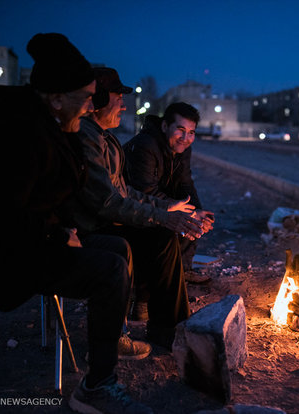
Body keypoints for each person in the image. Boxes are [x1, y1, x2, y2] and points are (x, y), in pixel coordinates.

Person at [0, 34, 152, 414]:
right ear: (56, 99)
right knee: (108, 269)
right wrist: (60, 235)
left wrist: (62, 231)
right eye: (87, 97)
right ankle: (96, 387)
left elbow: (46, 199)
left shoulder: (49, 127)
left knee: (117, 247)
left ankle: (109, 350)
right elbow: (1, 218)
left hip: (27, 242)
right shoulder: (14, 137)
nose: (94, 105)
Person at [64, 67, 205, 351]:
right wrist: (163, 215)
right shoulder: (87, 138)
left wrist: (173, 208)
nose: (124, 105)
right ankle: (157, 322)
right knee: (159, 234)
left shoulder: (106, 139)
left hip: (107, 220)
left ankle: (168, 331)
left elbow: (127, 192)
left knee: (164, 235)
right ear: (97, 102)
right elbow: (107, 203)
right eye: (118, 98)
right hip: (93, 227)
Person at [123, 102, 215, 285]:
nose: (185, 138)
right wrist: (188, 213)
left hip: (157, 204)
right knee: (181, 220)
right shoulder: (145, 145)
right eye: (180, 129)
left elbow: (185, 183)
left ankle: (182, 270)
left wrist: (198, 212)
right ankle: (147, 292)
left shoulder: (182, 149)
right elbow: (146, 191)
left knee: (193, 218)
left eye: (191, 132)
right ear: (165, 126)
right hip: (128, 211)